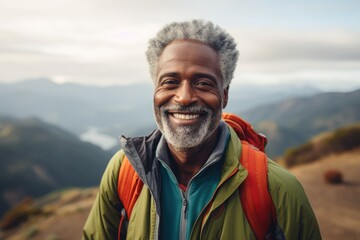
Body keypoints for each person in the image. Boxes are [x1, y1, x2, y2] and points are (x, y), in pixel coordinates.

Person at [83, 19, 321, 240]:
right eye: (170, 82)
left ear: (225, 94)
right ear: (154, 91)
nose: (184, 97)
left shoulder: (278, 189)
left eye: (203, 83)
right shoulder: (124, 171)